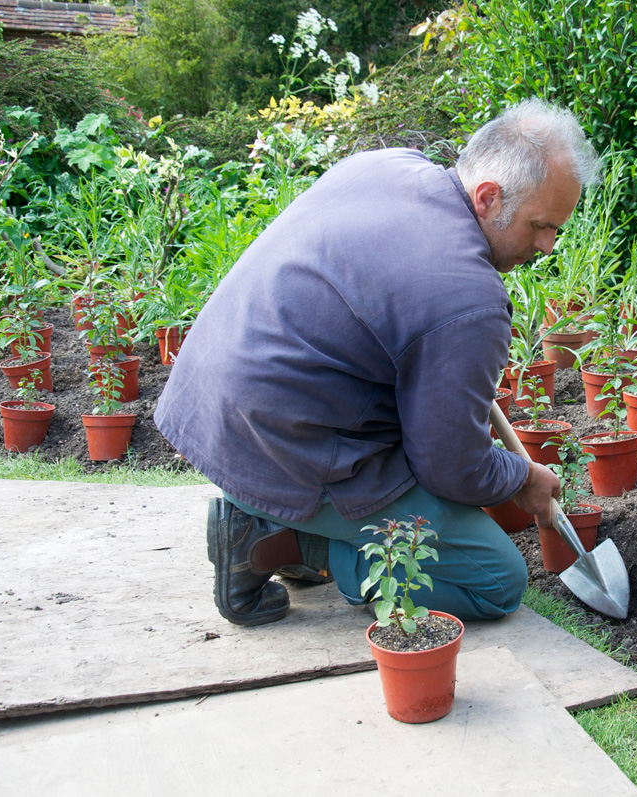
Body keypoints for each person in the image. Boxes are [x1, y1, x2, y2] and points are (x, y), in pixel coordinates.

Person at [154, 99, 601, 627]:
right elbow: (453, 467)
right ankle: (272, 543)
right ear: (487, 197)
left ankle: (271, 515)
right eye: (540, 226)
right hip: (282, 444)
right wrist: (519, 476)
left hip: (213, 406)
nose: (547, 246)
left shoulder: (384, 165)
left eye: (557, 230)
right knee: (493, 578)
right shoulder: (467, 299)